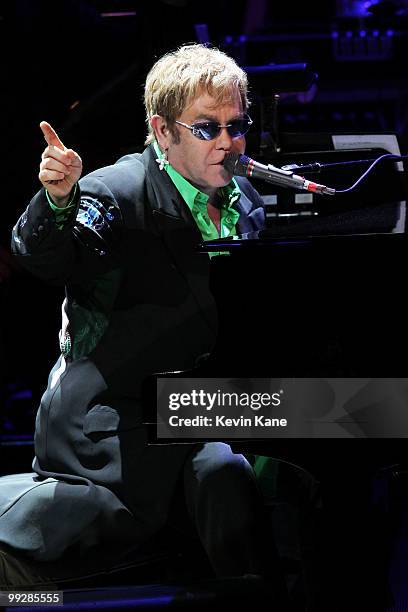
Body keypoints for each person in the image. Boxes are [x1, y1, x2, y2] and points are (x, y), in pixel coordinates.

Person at [0, 43, 287, 601]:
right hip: (121, 418)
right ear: (163, 131)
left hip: (206, 403)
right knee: (238, 468)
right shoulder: (115, 193)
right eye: (207, 128)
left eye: (238, 125)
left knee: (350, 423)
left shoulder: (245, 198)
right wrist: (58, 201)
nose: (227, 142)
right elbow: (51, 255)